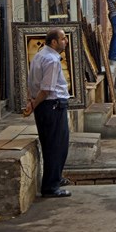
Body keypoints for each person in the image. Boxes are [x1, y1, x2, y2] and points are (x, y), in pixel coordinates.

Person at [24, 28, 72, 198]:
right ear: (54, 42)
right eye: (63, 39)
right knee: (56, 147)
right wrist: (34, 105)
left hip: (47, 106)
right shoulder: (52, 60)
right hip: (52, 106)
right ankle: (51, 187)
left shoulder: (39, 55)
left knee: (54, 144)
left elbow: (31, 83)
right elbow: (46, 90)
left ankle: (55, 178)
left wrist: (31, 103)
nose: (65, 41)